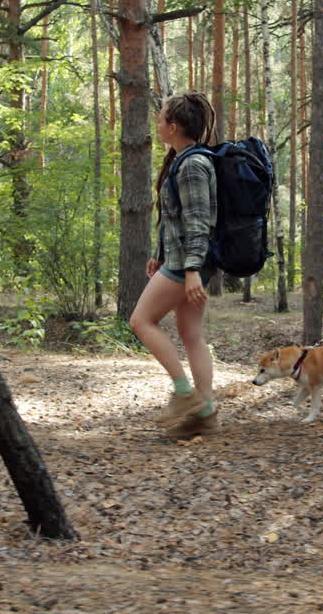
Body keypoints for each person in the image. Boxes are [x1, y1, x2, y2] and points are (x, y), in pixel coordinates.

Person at [128, 93, 221, 439]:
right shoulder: (182, 159)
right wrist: (160, 251)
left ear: (174, 126)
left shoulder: (194, 165)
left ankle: (184, 393)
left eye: (161, 117)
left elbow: (198, 222)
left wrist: (193, 269)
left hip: (187, 264)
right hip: (183, 260)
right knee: (191, 335)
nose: (157, 122)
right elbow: (174, 217)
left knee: (140, 321)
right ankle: (206, 412)